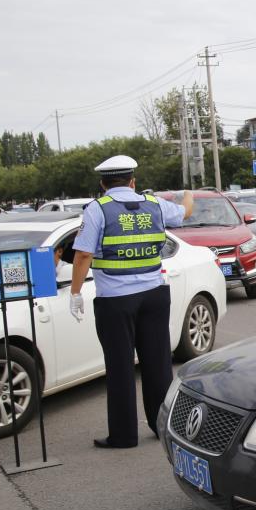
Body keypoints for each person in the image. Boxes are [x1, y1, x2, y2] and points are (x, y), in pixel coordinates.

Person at [70, 155, 195, 449]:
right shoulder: (154, 205)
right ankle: (162, 426)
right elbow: (186, 211)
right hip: (154, 295)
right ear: (133, 182)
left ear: (103, 184)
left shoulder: (97, 209)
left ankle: (124, 435)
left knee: (120, 367)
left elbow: (84, 254)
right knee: (158, 364)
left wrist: (75, 293)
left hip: (116, 301)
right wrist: (187, 193)